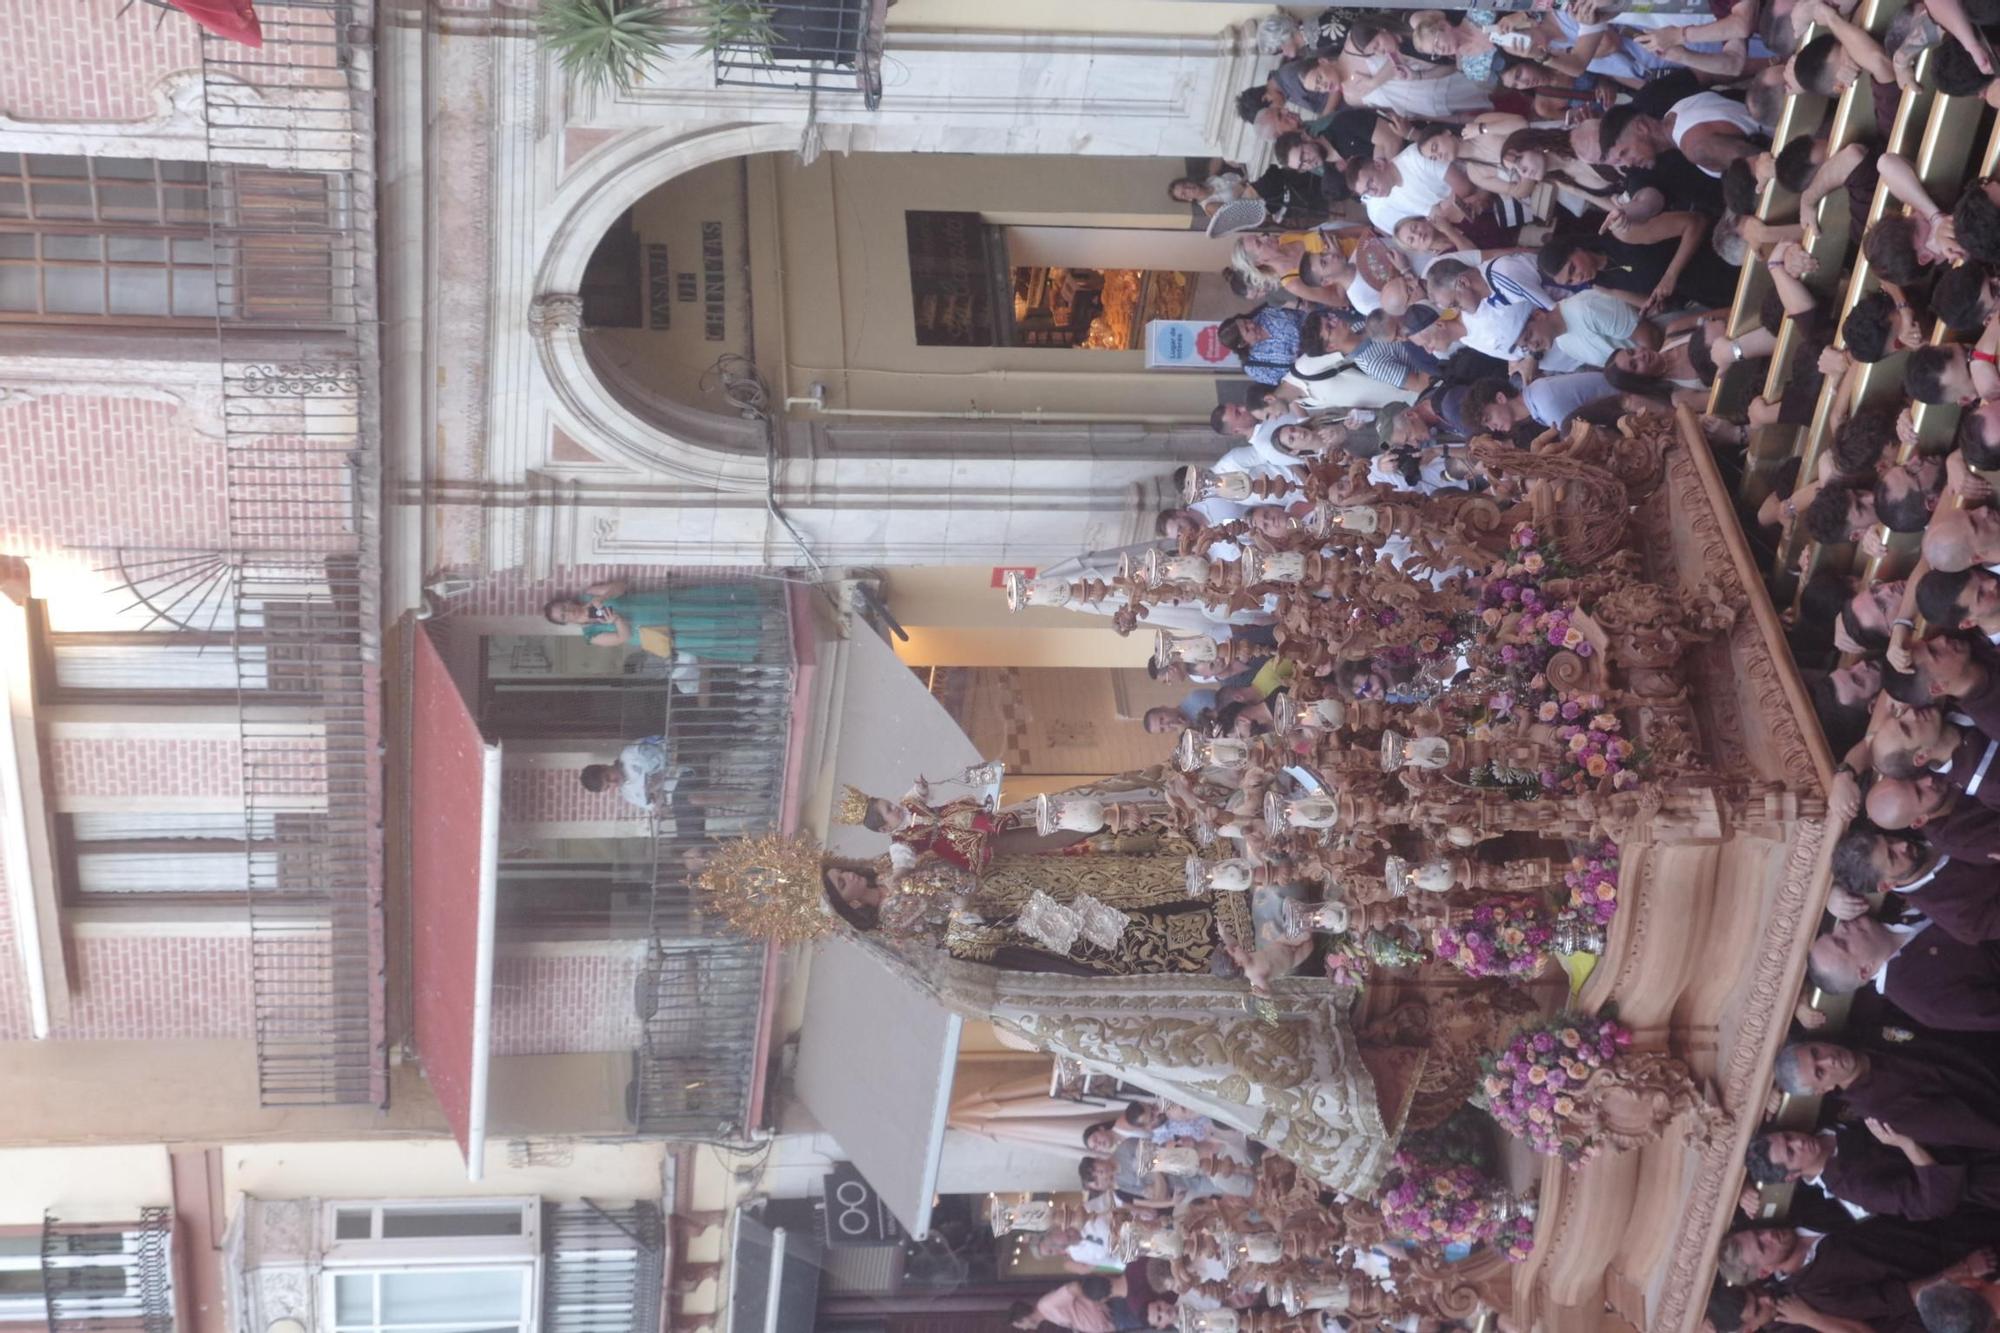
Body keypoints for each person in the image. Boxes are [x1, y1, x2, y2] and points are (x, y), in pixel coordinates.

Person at [1746, 1121, 2000, 1220]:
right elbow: (1931, 1205)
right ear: (1792, 1176)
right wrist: (1907, 1145)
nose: (1799, 1142)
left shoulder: (1824, 1119)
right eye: (1791, 1153)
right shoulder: (1849, 1187)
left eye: (1790, 1136)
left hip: (1968, 1128)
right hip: (1976, 1173)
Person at [1775, 1039, 2000, 1149]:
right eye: (1820, 1071)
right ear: (1822, 1090)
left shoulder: (1864, 1034)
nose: (1829, 1059)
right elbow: (1972, 1126)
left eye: (1816, 1051)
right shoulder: (1883, 1111)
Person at [1807, 914, 2000, 1030]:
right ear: (1865, 970)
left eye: (1832, 932)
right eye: (1842, 942)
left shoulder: (1889, 913)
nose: (1842, 926)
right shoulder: (1921, 998)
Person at [543, 580, 763, 661]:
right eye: (562, 616)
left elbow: (622, 586)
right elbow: (623, 637)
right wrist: (616, 619)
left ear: (566, 601)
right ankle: (757, 636)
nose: (567, 612)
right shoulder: (591, 634)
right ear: (565, 623)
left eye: (563, 607)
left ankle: (759, 610)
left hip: (657, 606)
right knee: (704, 630)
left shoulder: (588, 594)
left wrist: (602, 597)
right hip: (656, 631)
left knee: (702, 608)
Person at [580, 736, 679, 811]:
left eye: (608, 777)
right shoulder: (629, 795)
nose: (614, 783)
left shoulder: (630, 754)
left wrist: (655, 781)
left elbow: (665, 750)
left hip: (683, 760)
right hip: (679, 792)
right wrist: (659, 804)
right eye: (608, 787)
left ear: (604, 766)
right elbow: (661, 808)